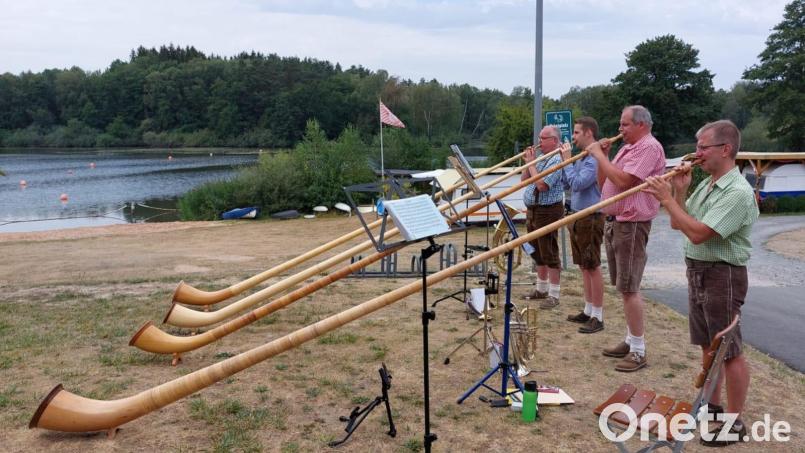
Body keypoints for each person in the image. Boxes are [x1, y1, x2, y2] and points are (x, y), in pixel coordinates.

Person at [644, 120, 757, 446]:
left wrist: (666, 198)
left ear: (725, 149)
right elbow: (683, 224)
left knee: (729, 350)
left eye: (702, 147)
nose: (696, 154)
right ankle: (714, 408)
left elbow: (698, 232)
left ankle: (734, 423)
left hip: (723, 274)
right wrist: (679, 190)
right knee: (710, 348)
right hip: (699, 269)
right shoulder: (709, 183)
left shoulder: (736, 192)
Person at [588, 105, 665, 372]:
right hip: (616, 222)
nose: (620, 130)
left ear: (641, 124)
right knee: (623, 287)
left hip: (632, 225)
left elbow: (624, 182)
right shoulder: (628, 148)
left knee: (630, 287)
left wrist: (599, 154)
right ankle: (631, 340)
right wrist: (603, 158)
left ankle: (639, 350)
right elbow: (605, 184)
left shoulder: (649, 147)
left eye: (625, 125)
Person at [561, 117, 605, 334]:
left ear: (589, 133)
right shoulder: (581, 157)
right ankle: (588, 310)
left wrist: (567, 162)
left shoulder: (594, 159)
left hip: (592, 215)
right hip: (578, 214)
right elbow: (568, 183)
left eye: (577, 133)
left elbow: (579, 183)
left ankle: (598, 315)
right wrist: (564, 165)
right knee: (583, 266)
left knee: (593, 266)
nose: (574, 137)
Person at [521, 126, 564, 309]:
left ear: (554, 140)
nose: (539, 142)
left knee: (549, 251)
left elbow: (541, 185)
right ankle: (541, 288)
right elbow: (524, 180)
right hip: (534, 209)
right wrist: (527, 162)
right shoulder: (541, 157)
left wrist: (532, 165)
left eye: (543, 138)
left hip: (548, 210)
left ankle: (554, 294)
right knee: (537, 251)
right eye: (539, 137)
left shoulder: (556, 159)